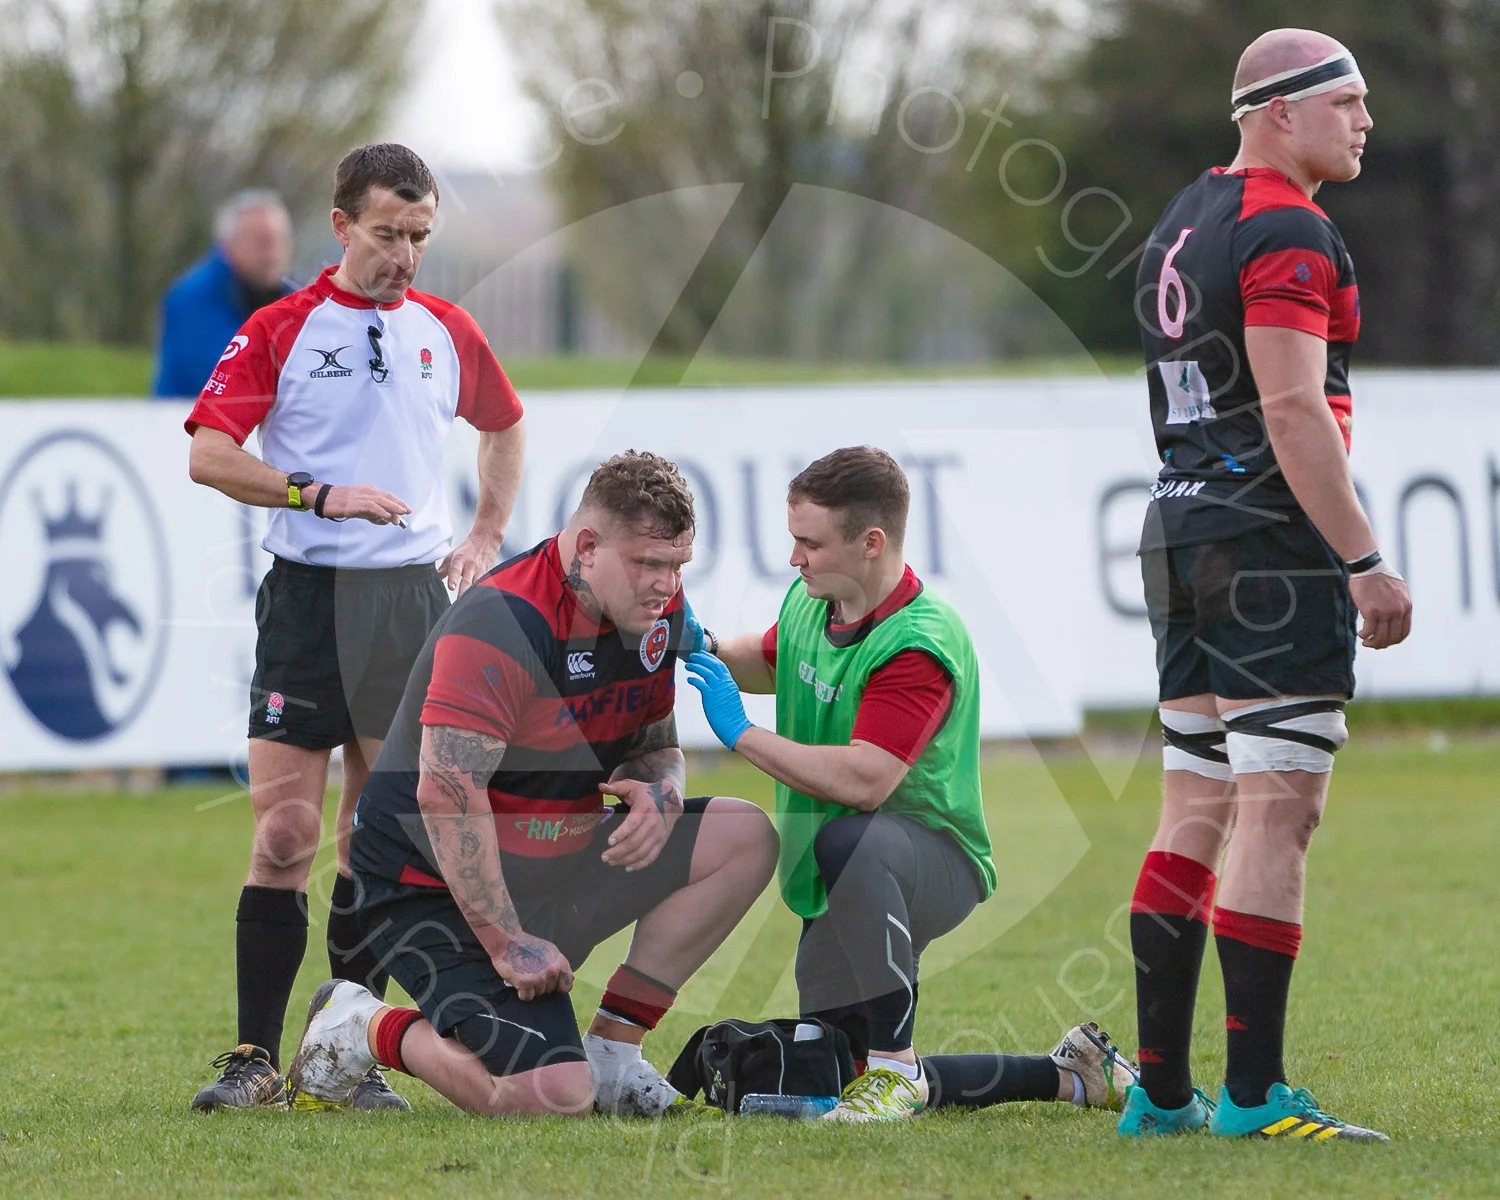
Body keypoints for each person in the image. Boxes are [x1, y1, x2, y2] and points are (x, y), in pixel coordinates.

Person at [184, 143, 528, 1113]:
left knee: (372, 843)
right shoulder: (280, 328)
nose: (406, 255)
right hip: (307, 599)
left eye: (420, 237)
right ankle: (253, 1056)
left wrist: (487, 531)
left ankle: (341, 1057)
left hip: (408, 606)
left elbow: (504, 423)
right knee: (287, 833)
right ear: (340, 228)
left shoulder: (445, 329)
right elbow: (211, 455)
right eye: (387, 235)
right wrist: (316, 494)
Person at [284, 452, 779, 1118]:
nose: (665, 585)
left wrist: (660, 794)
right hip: (430, 890)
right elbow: (446, 792)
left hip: (551, 866)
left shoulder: (654, 612)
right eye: (648, 564)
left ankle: (613, 1053)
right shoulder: (503, 621)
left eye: (677, 566)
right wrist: (505, 940)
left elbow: (655, 744)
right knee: (547, 1096)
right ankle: (358, 1024)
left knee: (743, 835)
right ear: (587, 545)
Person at [1118, 29, 1411, 1142]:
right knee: (1278, 813)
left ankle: (1158, 1091)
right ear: (1277, 111)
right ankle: (1252, 1098)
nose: (1365, 119)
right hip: (1270, 547)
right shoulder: (1289, 222)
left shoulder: (1182, 216)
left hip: (1180, 527)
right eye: (1347, 100)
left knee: (1194, 804)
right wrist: (1365, 559)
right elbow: (1291, 407)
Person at [681, 446, 1137, 1122]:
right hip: (851, 865)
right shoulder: (816, 599)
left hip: (927, 862)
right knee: (837, 1074)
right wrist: (707, 646)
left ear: (871, 543)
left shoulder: (919, 643)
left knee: (849, 842)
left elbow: (867, 782)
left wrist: (742, 734)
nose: (793, 558)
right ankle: (1072, 1076)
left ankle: (896, 1066)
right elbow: (774, 659)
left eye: (809, 542)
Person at [153, 191, 296, 399]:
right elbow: (220, 373)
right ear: (229, 245)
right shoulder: (191, 299)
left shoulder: (297, 296)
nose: (273, 253)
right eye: (262, 242)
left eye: (280, 241)